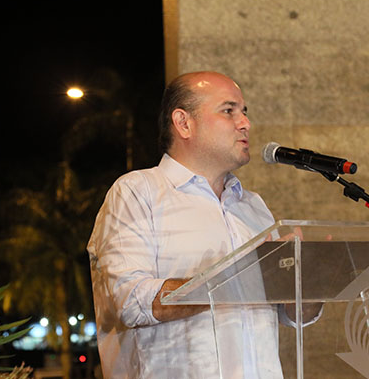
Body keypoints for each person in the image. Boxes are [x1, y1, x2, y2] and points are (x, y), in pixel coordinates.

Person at [87, 71, 283, 378]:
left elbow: (288, 311)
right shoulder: (138, 192)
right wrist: (230, 283)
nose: (245, 123)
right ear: (184, 123)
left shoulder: (253, 205)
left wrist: (312, 278)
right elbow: (130, 300)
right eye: (228, 111)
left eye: (244, 112)